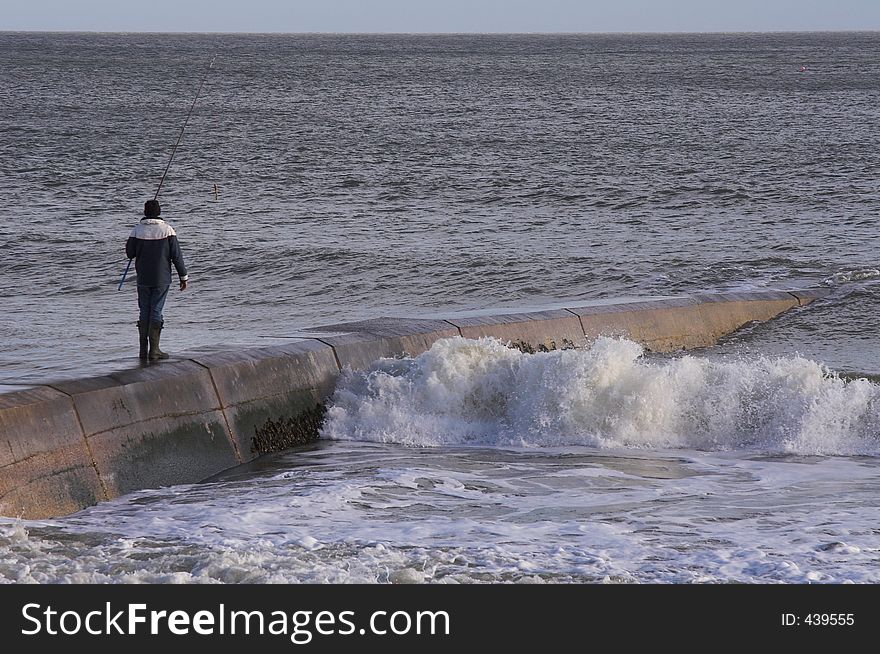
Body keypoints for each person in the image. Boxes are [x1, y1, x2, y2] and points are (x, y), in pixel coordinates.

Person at [125, 199, 188, 360]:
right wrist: (183, 276)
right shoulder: (167, 230)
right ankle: (154, 350)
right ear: (159, 212)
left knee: (144, 310)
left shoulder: (137, 230)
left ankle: (143, 350)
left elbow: (130, 253)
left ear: (145, 212)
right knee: (156, 310)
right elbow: (176, 256)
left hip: (143, 277)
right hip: (162, 278)